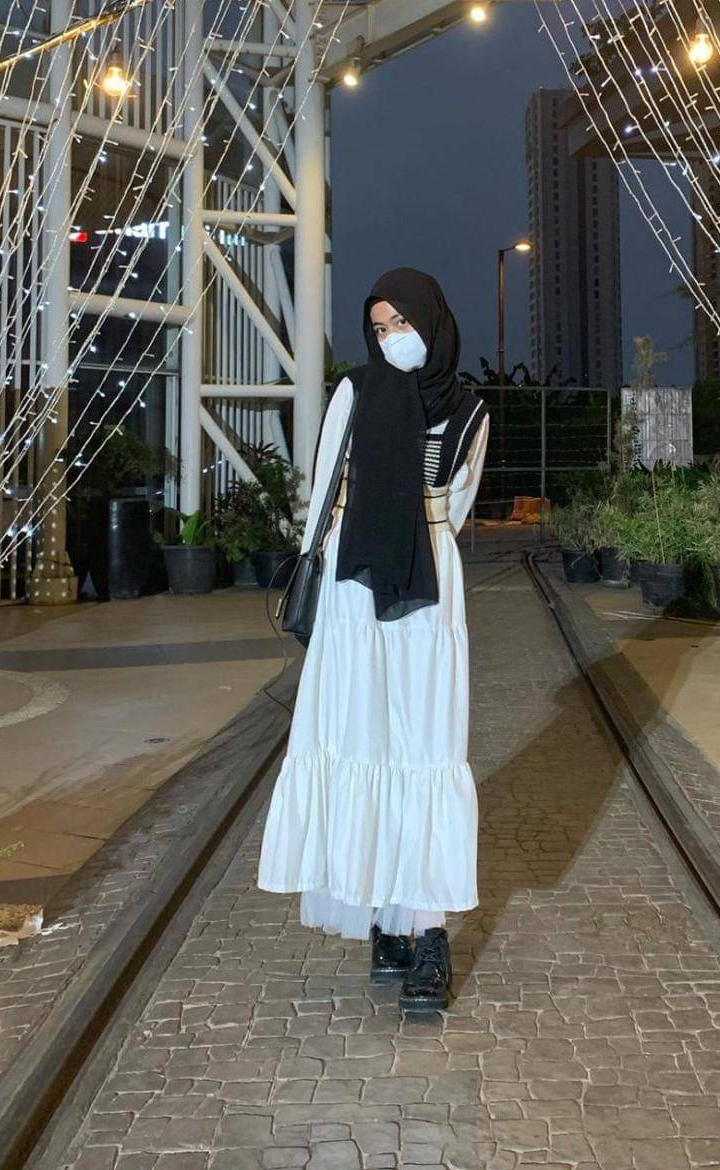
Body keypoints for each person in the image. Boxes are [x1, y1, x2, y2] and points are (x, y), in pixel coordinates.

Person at [258, 267, 489, 1013]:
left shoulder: (469, 410)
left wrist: (411, 535)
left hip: (429, 585)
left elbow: (455, 504)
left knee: (426, 746)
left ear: (432, 320)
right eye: (381, 327)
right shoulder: (354, 393)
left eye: (403, 323)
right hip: (354, 584)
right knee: (362, 736)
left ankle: (427, 931)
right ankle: (388, 921)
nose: (392, 338)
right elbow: (325, 489)